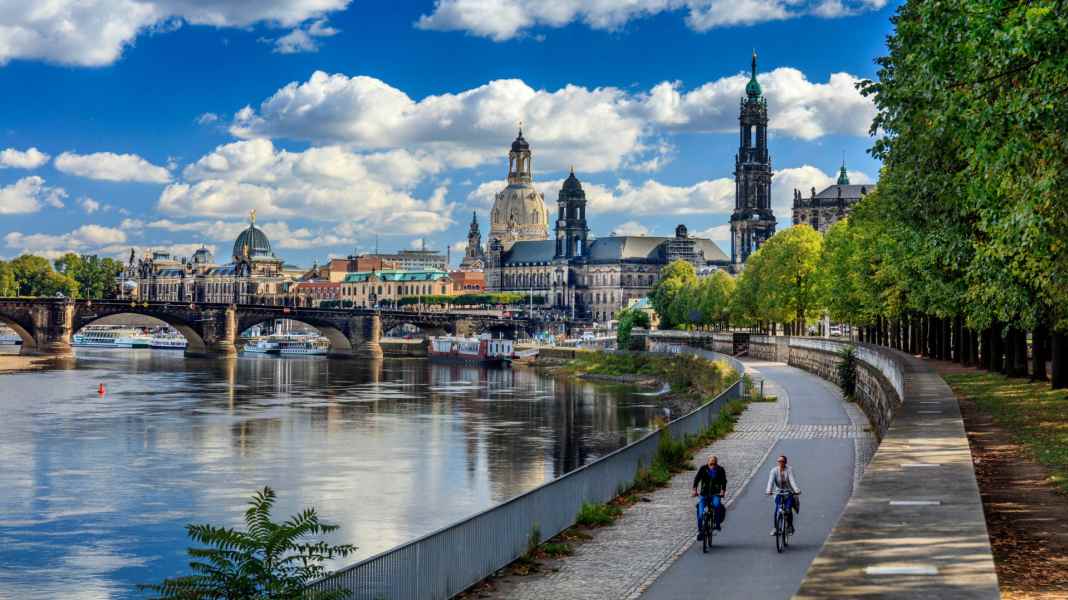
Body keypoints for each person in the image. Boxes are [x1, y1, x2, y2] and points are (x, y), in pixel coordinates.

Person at [691, 455, 727, 540]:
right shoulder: (703, 469)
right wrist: (694, 490)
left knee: (717, 505)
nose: (712, 466)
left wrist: (723, 491)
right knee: (700, 513)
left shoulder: (720, 470)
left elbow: (723, 481)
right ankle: (700, 532)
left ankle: (717, 524)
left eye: (714, 464)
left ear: (716, 463)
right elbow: (697, 479)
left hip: (716, 494)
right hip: (704, 494)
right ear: (708, 462)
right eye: (711, 464)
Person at [766, 455, 801, 536]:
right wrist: (769, 490)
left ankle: (789, 526)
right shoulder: (774, 471)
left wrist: (796, 490)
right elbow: (770, 481)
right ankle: (775, 528)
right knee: (777, 510)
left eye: (782, 461)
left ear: (785, 462)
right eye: (779, 461)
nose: (780, 463)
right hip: (778, 492)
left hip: (788, 492)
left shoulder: (789, 470)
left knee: (788, 509)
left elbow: (792, 480)